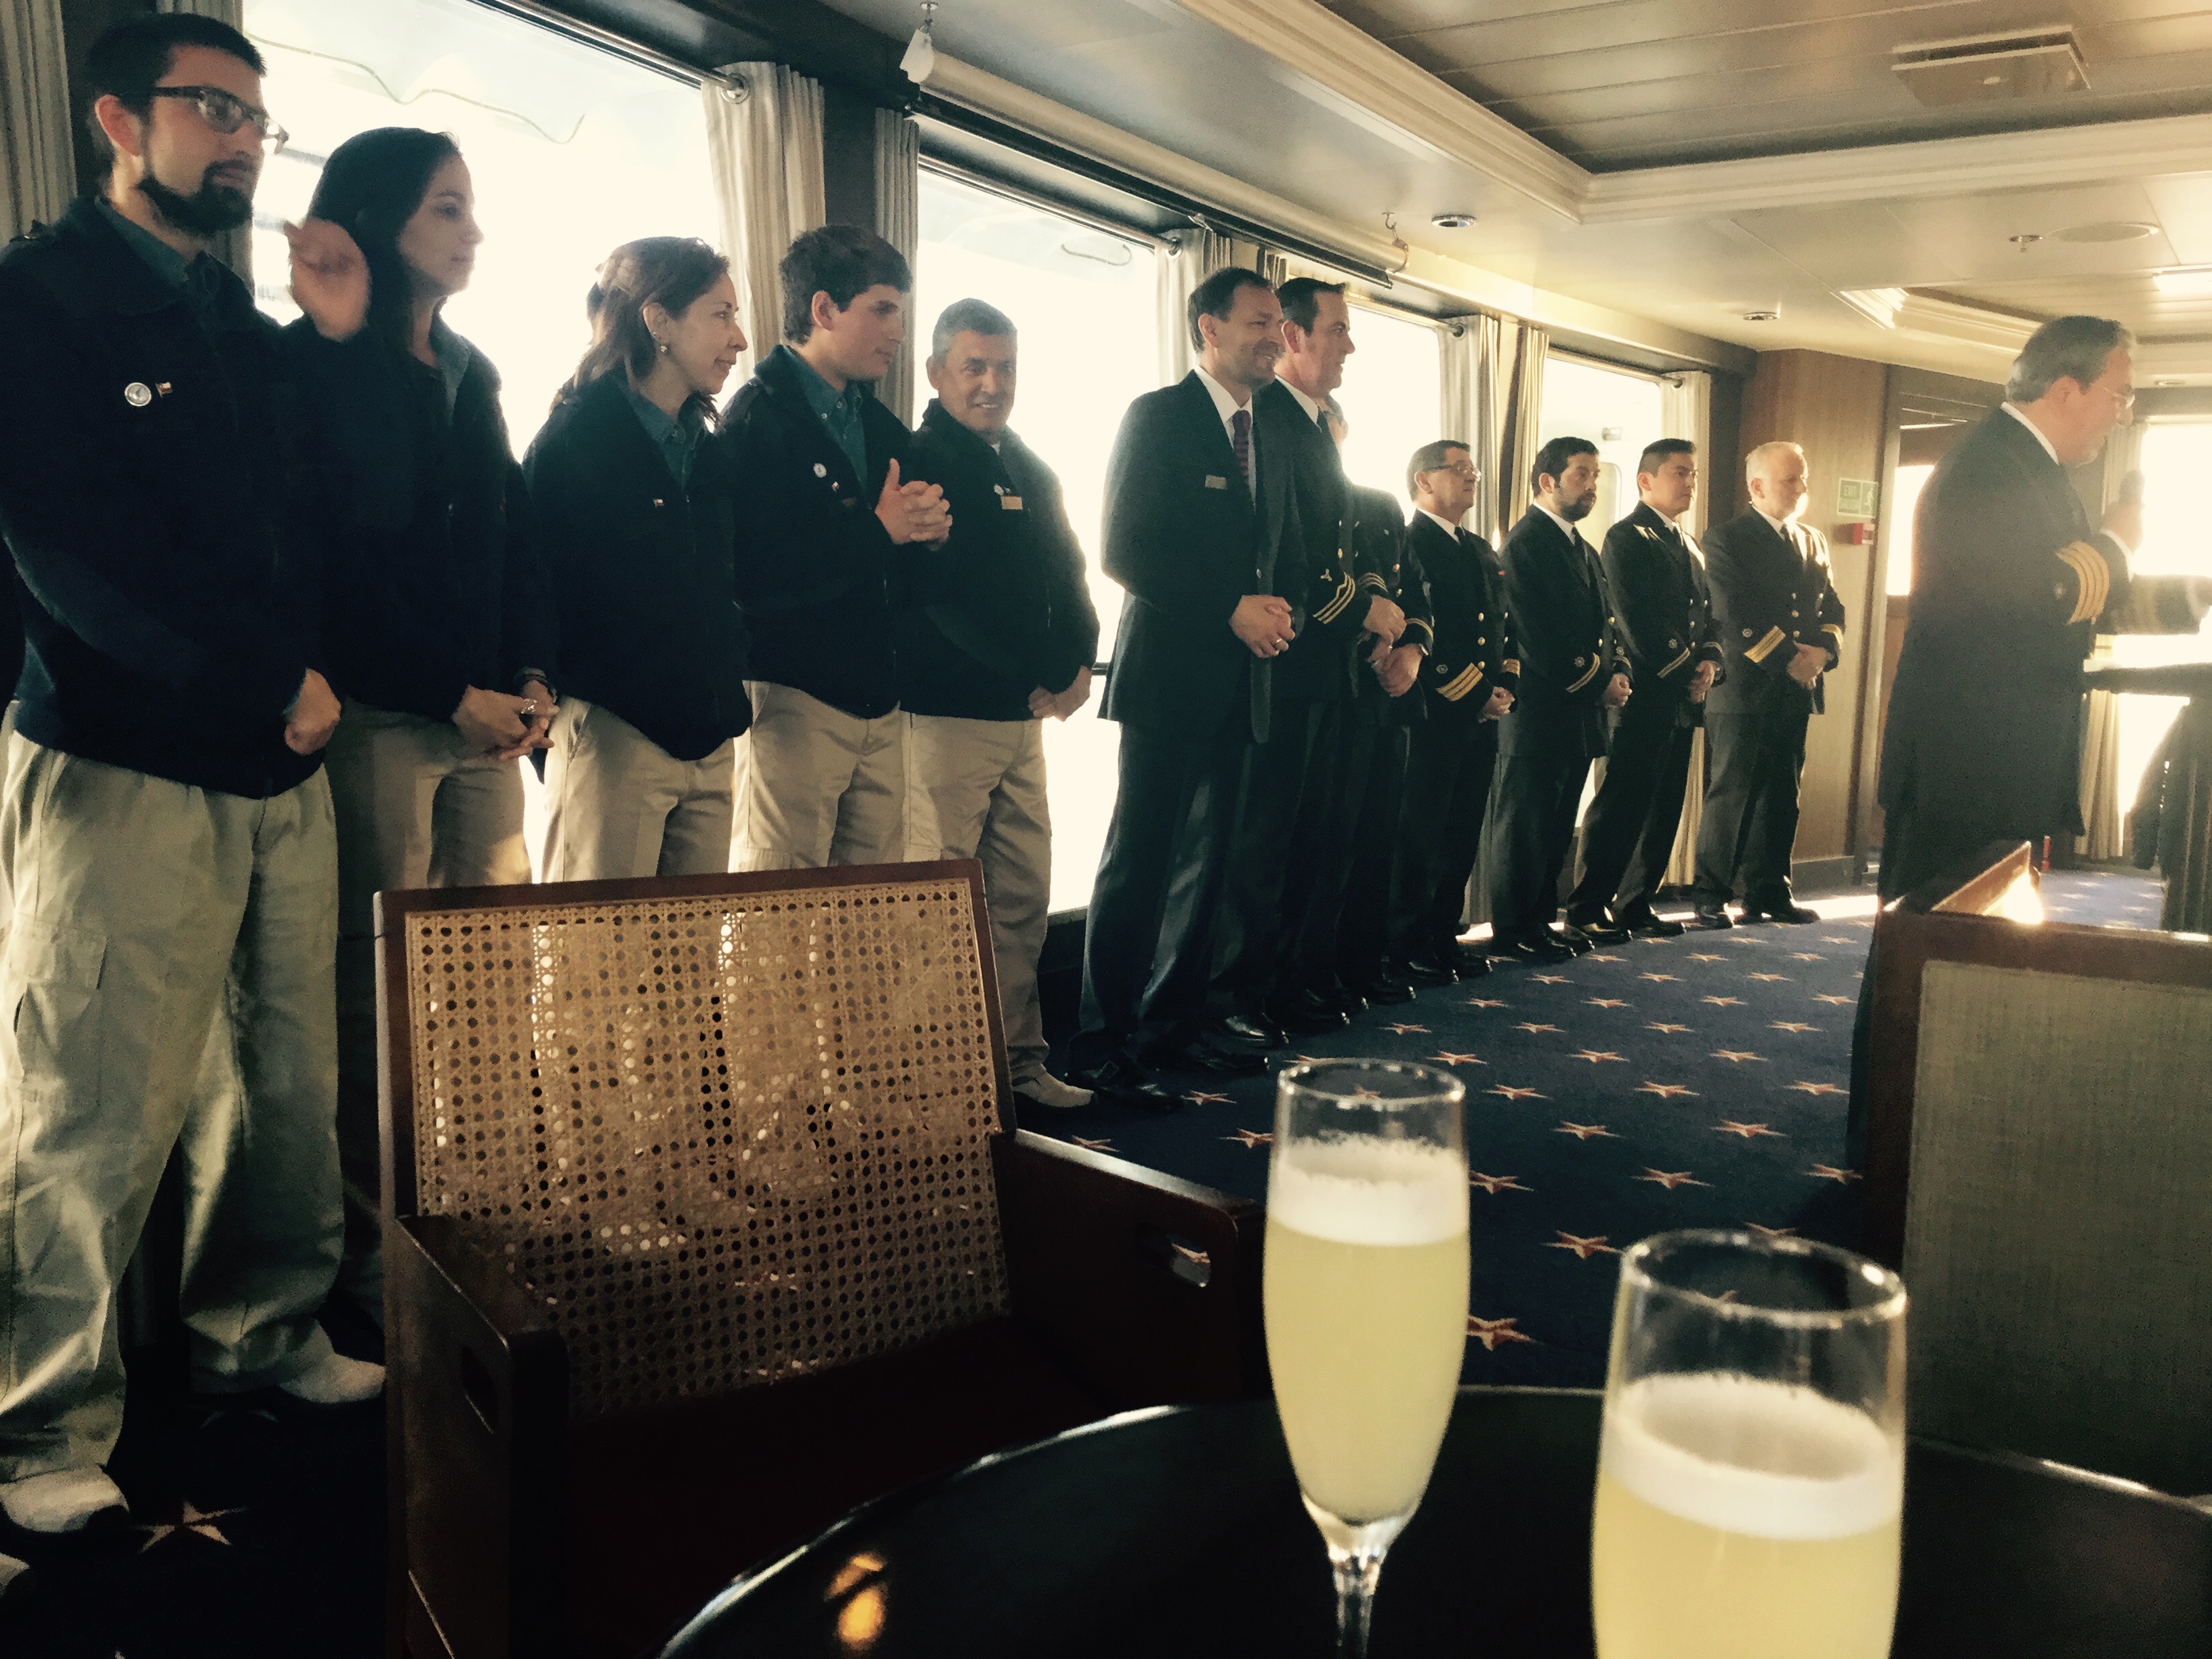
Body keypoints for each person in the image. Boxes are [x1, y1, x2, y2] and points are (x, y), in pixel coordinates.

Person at [0, 13, 381, 1548]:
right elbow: (64, 553)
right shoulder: (37, 295)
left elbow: (323, 525)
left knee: (284, 1087)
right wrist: (260, 683)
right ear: (117, 119)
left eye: (254, 119)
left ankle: (259, 1334)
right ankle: (39, 1421)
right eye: (211, 108)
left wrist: (336, 343)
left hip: (280, 761)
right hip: (121, 755)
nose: (240, 142)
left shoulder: (237, 316)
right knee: (88, 1106)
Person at [299, 127, 552, 1322]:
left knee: (490, 985)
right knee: (374, 1001)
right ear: (377, 214)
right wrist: (451, 689)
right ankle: (368, 1261)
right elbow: (341, 565)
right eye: (446, 207)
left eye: (470, 206)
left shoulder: (474, 371)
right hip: (383, 721)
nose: (472, 231)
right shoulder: (316, 365)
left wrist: (528, 674)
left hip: (484, 725)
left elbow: (507, 542)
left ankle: (474, 1224)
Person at [1067, 267, 1300, 1104]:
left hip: (1246, 684)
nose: (1275, 338)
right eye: (1259, 322)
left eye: (1279, 325)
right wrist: (1230, 607)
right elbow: (1124, 548)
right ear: (1209, 328)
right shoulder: (1158, 416)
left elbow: (1279, 548)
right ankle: (1103, 1039)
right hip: (1167, 683)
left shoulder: (1270, 432)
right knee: (1141, 863)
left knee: (1210, 869)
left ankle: (1174, 1026)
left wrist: (1275, 613)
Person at [899, 299, 1100, 1115]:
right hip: (946, 718)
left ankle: (1016, 1065)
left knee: (1020, 899)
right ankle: (939, 1084)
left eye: (1005, 367)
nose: (992, 383)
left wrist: (1079, 664)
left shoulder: (1030, 466)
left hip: (1026, 721)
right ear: (936, 372)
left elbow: (1073, 575)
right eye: (974, 367)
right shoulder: (918, 460)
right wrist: (1036, 669)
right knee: (937, 908)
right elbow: (943, 598)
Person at [1206, 279, 1403, 1054]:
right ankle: (1237, 996)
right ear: (1294, 336)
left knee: (1312, 841)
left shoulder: (1313, 423)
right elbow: (1291, 551)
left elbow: (1347, 542)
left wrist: (1378, 610)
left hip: (1325, 669)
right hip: (1283, 666)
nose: (1350, 345)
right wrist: (1359, 611)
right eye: (1339, 330)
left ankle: (1288, 983)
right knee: (1262, 846)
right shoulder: (1274, 419)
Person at [720, 224, 950, 871]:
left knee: (873, 914)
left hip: (882, 700)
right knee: (781, 907)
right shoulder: (754, 422)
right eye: (882, 310)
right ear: (823, 310)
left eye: (899, 313)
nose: (899, 332)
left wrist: (930, 536)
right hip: (794, 699)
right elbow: (754, 579)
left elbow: (903, 567)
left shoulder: (880, 425)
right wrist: (881, 531)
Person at [525, 237, 752, 880]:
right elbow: (534, 591)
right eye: (720, 315)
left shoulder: (710, 452)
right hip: (614, 735)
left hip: (711, 741)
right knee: (598, 945)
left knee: (696, 948)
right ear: (658, 321)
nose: (739, 339)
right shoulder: (575, 440)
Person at [1289, 402, 1433, 1020]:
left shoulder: (1376, 503)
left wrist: (1413, 651)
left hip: (1390, 698)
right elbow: (1315, 594)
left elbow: (1416, 592)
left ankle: (1363, 965)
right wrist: (1366, 636)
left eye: (1330, 426)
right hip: (1338, 694)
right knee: (1328, 844)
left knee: (1380, 840)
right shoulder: (1302, 503)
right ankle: (1313, 975)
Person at [1482, 436, 1631, 962]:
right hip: (1540, 713)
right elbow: (1537, 636)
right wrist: (1598, 681)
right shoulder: (1526, 544)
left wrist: (1620, 671)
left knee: (1554, 825)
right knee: (1526, 827)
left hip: (1576, 714)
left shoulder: (1580, 547)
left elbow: (1607, 624)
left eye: (1595, 476)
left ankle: (1540, 922)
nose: (1592, 486)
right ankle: (1513, 930)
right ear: (1548, 482)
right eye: (1581, 474)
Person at [1568, 438, 1723, 939]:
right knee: (1623, 802)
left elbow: (1710, 615)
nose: (1690, 482)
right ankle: (1588, 905)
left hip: (1681, 697)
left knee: (1665, 805)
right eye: (1680, 472)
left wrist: (1711, 661)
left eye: (1693, 473)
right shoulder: (1627, 537)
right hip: (1643, 694)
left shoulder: (1689, 542)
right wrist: (1686, 672)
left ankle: (1636, 901)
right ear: (1645, 481)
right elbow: (1636, 620)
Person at [1690, 441, 1844, 926]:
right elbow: (1733, 613)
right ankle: (1711, 894)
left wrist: (1823, 653)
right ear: (1757, 487)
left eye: (1803, 478)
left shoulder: (1812, 539)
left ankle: (1769, 892)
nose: (1801, 488)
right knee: (1732, 794)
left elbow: (1831, 608)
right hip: (1745, 689)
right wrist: (1789, 661)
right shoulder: (1726, 538)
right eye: (1789, 480)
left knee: (1782, 795)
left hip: (1796, 689)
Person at [1390, 441, 1517, 981]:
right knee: (1422, 833)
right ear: (1424, 480)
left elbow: (1505, 626)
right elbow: (1424, 632)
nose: (1472, 477)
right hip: (1435, 714)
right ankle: (1405, 944)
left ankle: (1442, 936)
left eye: (1474, 469)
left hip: (1481, 715)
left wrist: (1505, 686)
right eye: (1459, 469)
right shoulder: (1411, 541)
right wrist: (1474, 692)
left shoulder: (1479, 548)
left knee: (1462, 832)